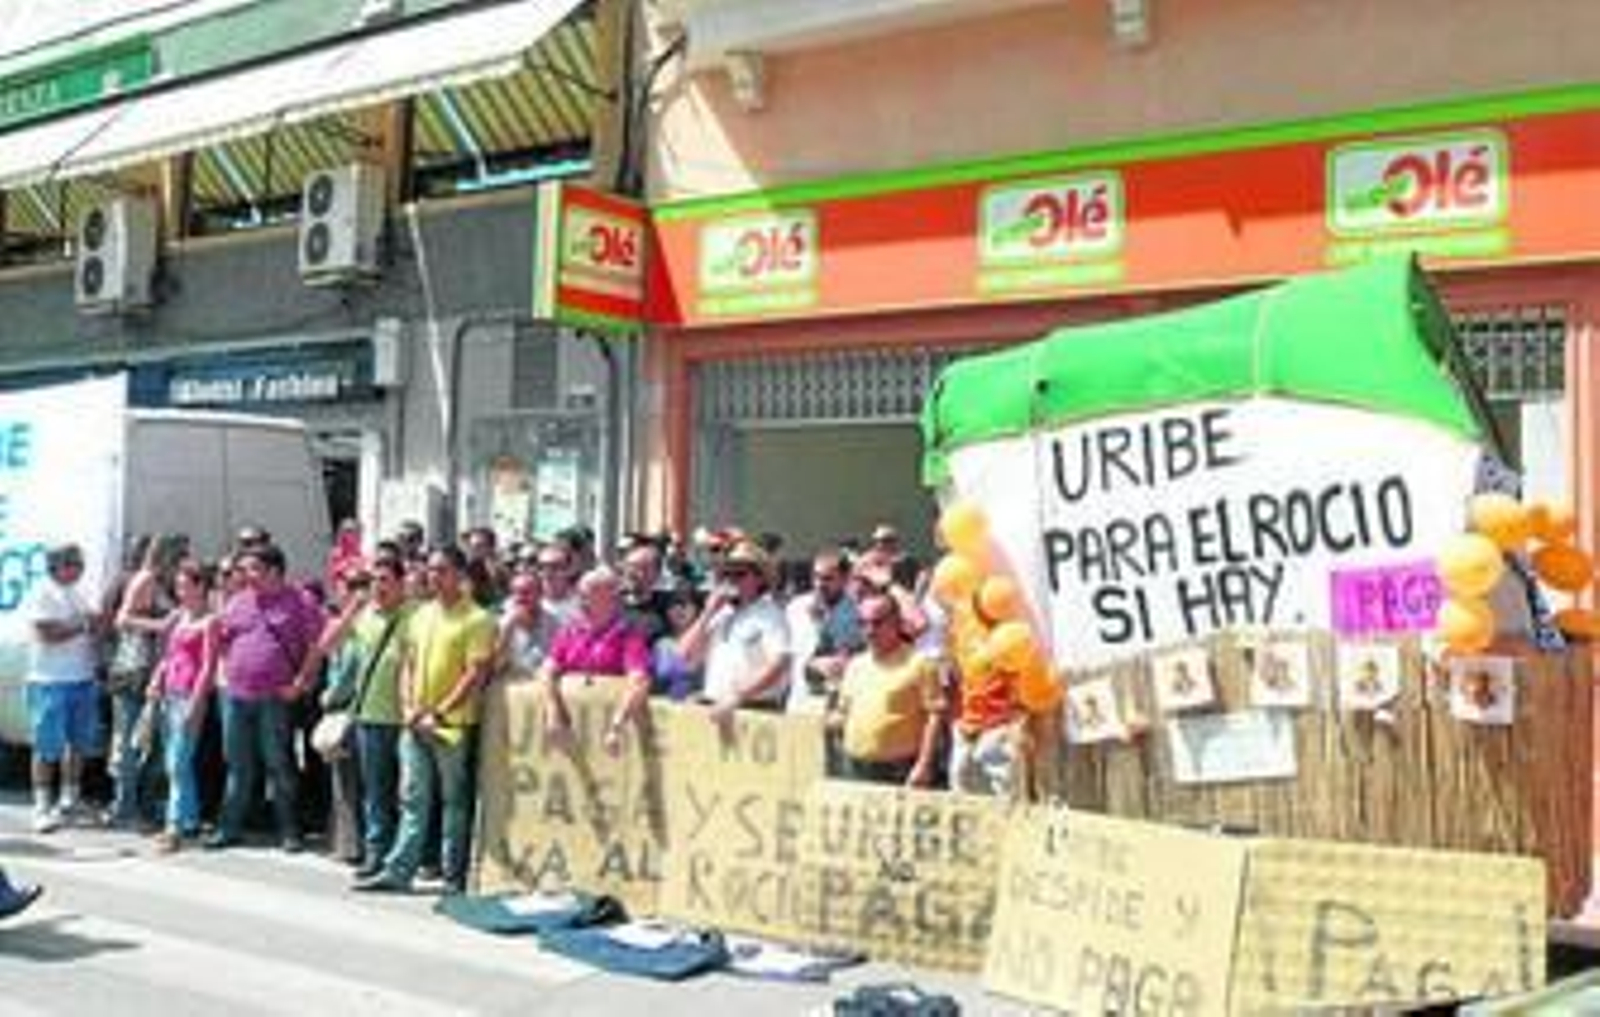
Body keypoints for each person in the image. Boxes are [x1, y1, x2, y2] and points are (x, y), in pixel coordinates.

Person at [355, 546, 495, 895]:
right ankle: (399, 870)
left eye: (443, 570)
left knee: (454, 802)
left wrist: (440, 712)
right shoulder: (421, 616)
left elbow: (474, 675)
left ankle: (452, 875)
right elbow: (408, 665)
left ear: (461, 575)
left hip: (453, 725)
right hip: (416, 722)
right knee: (412, 799)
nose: (435, 576)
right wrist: (408, 707)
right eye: (431, 570)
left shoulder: (477, 619)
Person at [206, 543, 325, 853]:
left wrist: (301, 682)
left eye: (252, 569)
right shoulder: (239, 601)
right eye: (243, 570)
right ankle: (229, 826)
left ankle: (289, 830)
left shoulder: (301, 600)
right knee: (238, 765)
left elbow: (316, 646)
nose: (245, 576)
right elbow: (223, 639)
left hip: (275, 697)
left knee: (279, 764)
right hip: (236, 695)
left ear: (274, 571)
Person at [318, 554, 412, 877]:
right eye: (374, 581)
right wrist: (350, 612)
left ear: (401, 583)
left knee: (406, 793)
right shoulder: (365, 616)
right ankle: (376, 852)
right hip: (369, 717)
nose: (377, 587)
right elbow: (327, 646)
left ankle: (405, 856)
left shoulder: (415, 616)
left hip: (405, 719)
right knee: (375, 792)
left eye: (385, 580)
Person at [829, 593, 946, 787]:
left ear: (897, 622)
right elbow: (843, 714)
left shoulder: (921, 664)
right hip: (852, 767)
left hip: (898, 771)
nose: (869, 630)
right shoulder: (855, 665)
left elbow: (934, 717)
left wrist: (924, 765)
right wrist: (814, 722)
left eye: (877, 622)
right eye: (862, 623)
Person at [25, 544, 103, 834]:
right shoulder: (43, 592)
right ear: (58, 566)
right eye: (75, 564)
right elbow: (46, 633)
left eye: (80, 564)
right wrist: (83, 625)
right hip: (49, 681)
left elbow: (90, 625)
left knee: (78, 744)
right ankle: (42, 807)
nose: (80, 569)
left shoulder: (79, 591)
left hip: (81, 678)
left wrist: (94, 625)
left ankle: (70, 799)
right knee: (47, 748)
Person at [536, 566, 652, 755]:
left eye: (586, 595)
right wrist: (552, 710)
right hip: (572, 731)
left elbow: (639, 682)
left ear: (610, 598)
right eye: (579, 594)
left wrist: (617, 725)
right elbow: (547, 671)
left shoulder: (628, 635)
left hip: (612, 736)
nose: (580, 600)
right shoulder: (570, 631)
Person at [108, 533, 183, 827]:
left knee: (151, 742)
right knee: (130, 741)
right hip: (133, 668)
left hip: (155, 669)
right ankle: (125, 807)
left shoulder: (164, 583)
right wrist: (161, 624)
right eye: (180, 554)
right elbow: (121, 619)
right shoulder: (145, 579)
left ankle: (144, 803)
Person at [148, 560, 219, 852]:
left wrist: (197, 702)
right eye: (177, 586)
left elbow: (208, 666)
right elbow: (169, 656)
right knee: (174, 761)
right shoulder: (179, 617)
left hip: (189, 695)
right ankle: (188, 820)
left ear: (201, 586)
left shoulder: (210, 621)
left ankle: (173, 825)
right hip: (170, 693)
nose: (180, 591)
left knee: (178, 761)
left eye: (185, 585)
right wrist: (155, 680)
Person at [679, 539, 793, 722]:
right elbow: (684, 656)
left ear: (760, 578)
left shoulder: (770, 615)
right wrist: (707, 613)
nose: (731, 580)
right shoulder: (721, 613)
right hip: (717, 707)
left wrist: (738, 697)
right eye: (727, 574)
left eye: (739, 574)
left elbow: (780, 663)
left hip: (753, 709)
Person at [785, 548, 863, 715]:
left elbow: (861, 657)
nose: (819, 584)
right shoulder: (796, 607)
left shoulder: (859, 613)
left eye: (827, 578)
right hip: (798, 703)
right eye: (816, 576)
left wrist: (844, 661)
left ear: (845, 579)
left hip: (837, 707)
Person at [497, 570, 559, 678]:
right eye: (514, 593)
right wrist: (507, 629)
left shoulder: (552, 622)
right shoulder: (502, 623)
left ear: (540, 594)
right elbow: (494, 664)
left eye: (525, 592)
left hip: (543, 682)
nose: (519, 598)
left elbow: (557, 659)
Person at [650, 584, 705, 702]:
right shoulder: (660, 644)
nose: (679, 609)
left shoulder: (706, 641)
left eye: (685, 604)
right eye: (674, 603)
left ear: (697, 609)